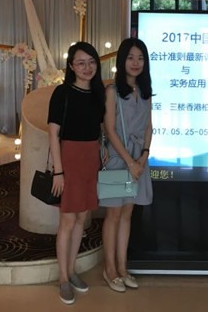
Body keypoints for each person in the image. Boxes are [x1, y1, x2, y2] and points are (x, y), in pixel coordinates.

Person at [48, 42, 106, 305]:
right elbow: (53, 133)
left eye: (91, 62)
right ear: (71, 66)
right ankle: (63, 278)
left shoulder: (98, 93)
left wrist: (103, 148)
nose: (87, 67)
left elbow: (99, 127)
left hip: (90, 159)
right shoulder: (62, 92)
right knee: (68, 221)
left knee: (82, 218)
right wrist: (58, 171)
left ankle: (71, 272)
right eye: (81, 63)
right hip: (69, 159)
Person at [100, 38, 153, 293]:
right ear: (122, 60)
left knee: (127, 214)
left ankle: (122, 267)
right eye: (131, 57)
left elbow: (149, 127)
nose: (135, 63)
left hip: (138, 160)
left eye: (140, 58)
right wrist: (131, 162)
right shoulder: (112, 91)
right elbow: (110, 130)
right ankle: (109, 269)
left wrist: (143, 157)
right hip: (117, 159)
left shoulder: (145, 91)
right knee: (113, 215)